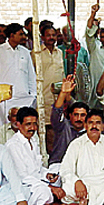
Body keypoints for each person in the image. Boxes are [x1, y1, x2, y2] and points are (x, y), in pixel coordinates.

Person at [5, 107, 63, 205]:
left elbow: (38, 168)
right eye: (28, 124)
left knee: (59, 175)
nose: (32, 128)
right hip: (23, 184)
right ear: (18, 125)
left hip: (37, 180)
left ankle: (43, 199)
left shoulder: (33, 140)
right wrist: (50, 187)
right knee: (44, 191)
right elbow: (22, 176)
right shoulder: (13, 145)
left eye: (34, 124)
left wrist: (47, 175)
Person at [0, 23, 37, 128]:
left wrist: (33, 95)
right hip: (4, 99)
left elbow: (31, 75)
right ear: (11, 35)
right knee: (4, 127)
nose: (23, 37)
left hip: (24, 97)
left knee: (24, 126)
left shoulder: (25, 52)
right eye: (20, 34)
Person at [35, 24, 65, 153]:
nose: (51, 38)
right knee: (45, 129)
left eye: (53, 35)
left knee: (58, 128)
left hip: (58, 98)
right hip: (43, 97)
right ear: (42, 37)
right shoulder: (36, 53)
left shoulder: (60, 52)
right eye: (48, 35)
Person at [49, 75, 88, 166]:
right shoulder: (63, 127)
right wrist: (63, 93)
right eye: (76, 115)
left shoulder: (90, 132)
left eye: (82, 115)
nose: (79, 119)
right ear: (70, 116)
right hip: (59, 166)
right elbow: (56, 112)